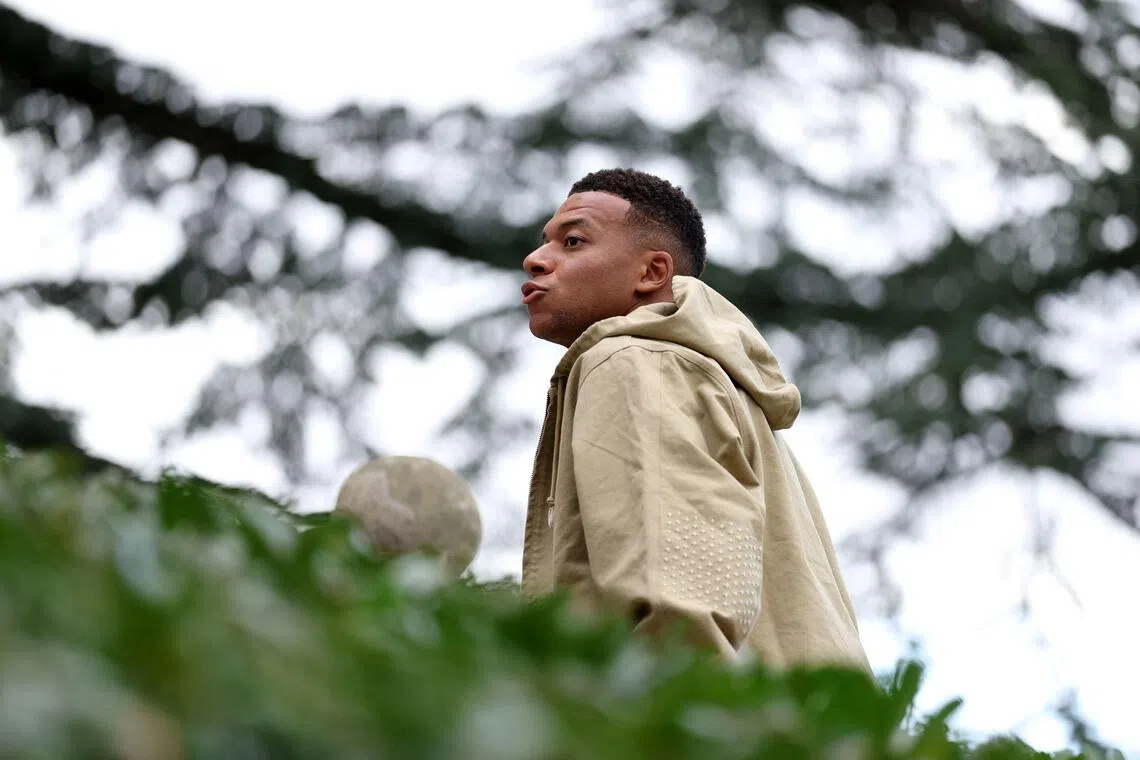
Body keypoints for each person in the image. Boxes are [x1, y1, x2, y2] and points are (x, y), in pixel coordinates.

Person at [519, 168, 870, 669]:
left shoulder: (634, 362)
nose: (536, 259)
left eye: (573, 241)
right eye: (545, 242)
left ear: (651, 273)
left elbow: (676, 609)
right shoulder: (716, 384)